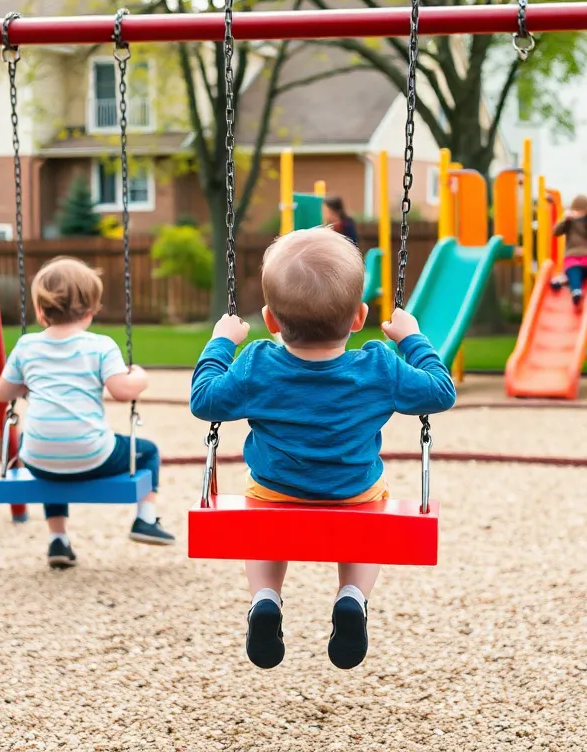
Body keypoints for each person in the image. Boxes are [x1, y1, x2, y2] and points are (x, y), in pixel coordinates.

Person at [189, 227, 457, 671]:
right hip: (353, 495)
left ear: (271, 321)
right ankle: (352, 596)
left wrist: (221, 342)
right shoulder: (380, 366)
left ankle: (265, 599)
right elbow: (440, 391)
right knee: (371, 511)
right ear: (359, 317)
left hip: (275, 494)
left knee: (261, 521)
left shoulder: (257, 363)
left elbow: (204, 399)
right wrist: (411, 339)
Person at [0, 256, 174, 569]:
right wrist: (140, 376)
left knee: (50, 451)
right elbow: (122, 391)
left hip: (38, 459)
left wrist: (27, 385)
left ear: (39, 310)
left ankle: (57, 539)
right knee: (147, 452)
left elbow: (2, 393)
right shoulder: (100, 346)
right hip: (94, 455)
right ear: (91, 310)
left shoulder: (26, 346)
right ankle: (145, 519)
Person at [549, 195, 587, 306]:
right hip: (578, 258)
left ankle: (573, 288)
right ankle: (569, 284)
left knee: (573, 270)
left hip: (586, 258)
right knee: (575, 271)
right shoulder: (569, 222)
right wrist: (565, 220)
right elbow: (556, 232)